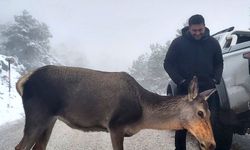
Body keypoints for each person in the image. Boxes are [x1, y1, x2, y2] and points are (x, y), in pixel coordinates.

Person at [163, 14, 227, 150]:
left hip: (207, 91)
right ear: (189, 28)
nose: (197, 33)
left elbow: (219, 63)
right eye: (194, 31)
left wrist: (216, 78)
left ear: (204, 27)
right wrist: (180, 81)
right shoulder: (178, 43)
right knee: (182, 125)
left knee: (209, 123)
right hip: (184, 91)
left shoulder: (213, 43)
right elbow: (168, 64)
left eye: (200, 30)